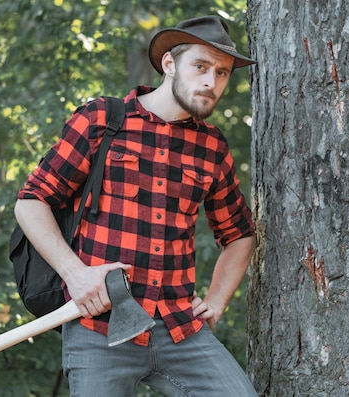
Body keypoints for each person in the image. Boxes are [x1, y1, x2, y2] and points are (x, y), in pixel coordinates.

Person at [14, 15, 258, 396]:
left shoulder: (211, 147)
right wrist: (75, 275)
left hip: (181, 330)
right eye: (201, 66)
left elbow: (239, 234)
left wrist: (216, 300)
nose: (211, 82)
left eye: (222, 73)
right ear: (169, 64)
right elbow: (32, 202)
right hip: (100, 329)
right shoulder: (101, 121)